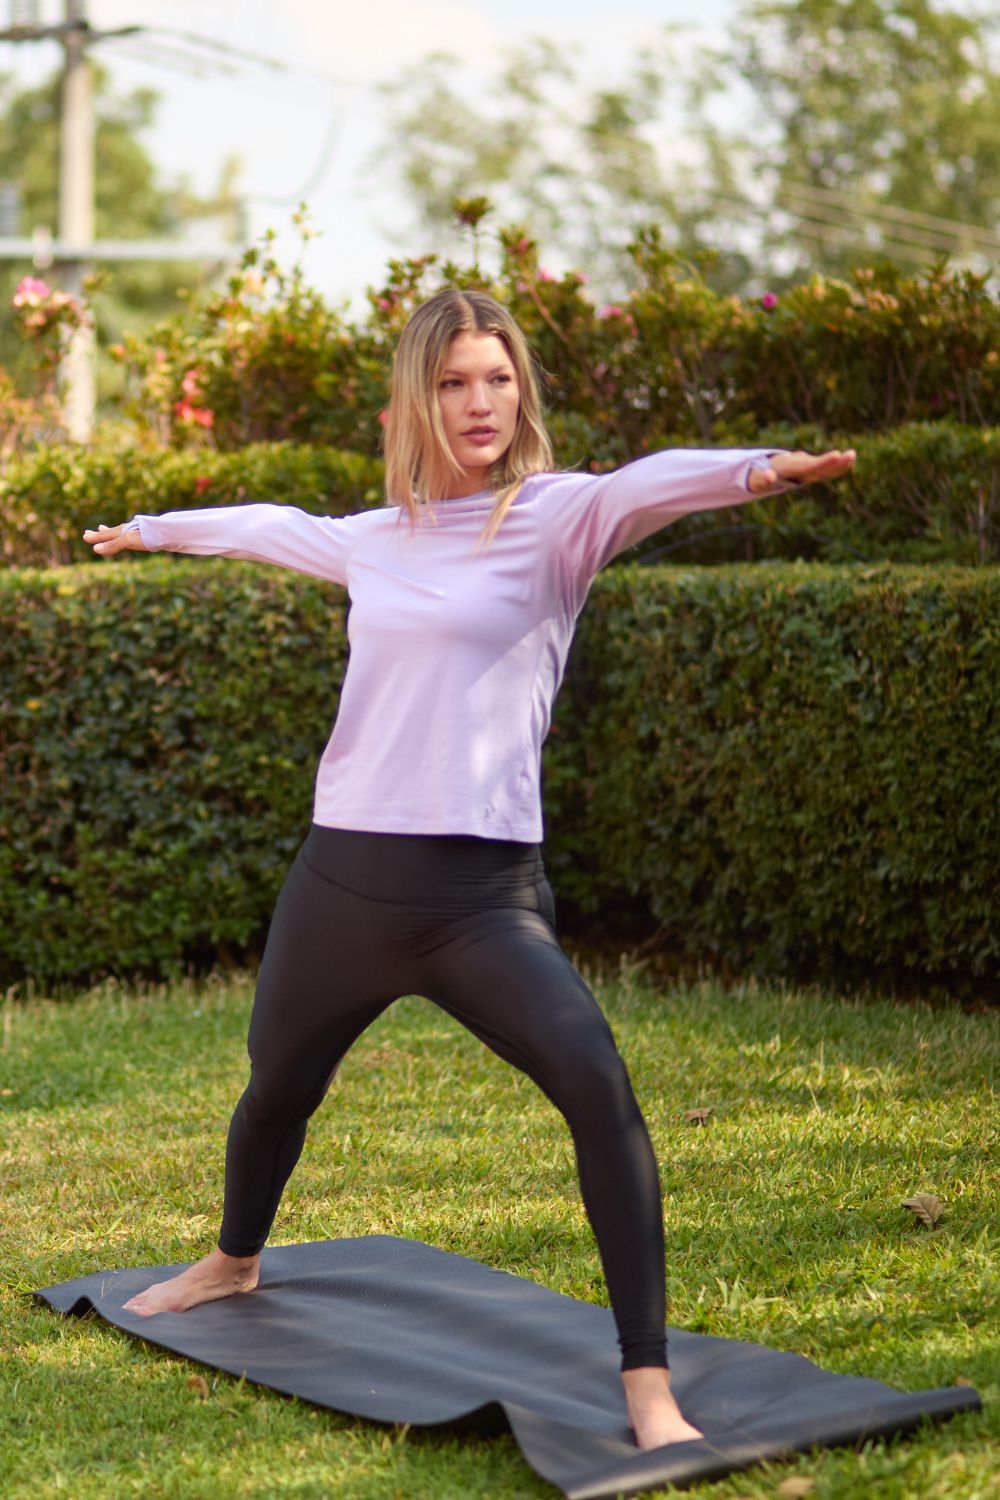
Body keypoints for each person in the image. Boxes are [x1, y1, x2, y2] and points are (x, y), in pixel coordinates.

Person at [83, 287, 856, 1449]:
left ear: (521, 392)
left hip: (478, 903)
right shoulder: (371, 540)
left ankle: (647, 1384)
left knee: (598, 1090)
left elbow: (645, 480)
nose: (479, 401)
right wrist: (147, 531)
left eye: (497, 379)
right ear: (417, 399)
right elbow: (262, 522)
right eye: (453, 382)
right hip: (342, 885)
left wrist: (756, 470)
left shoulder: (556, 521)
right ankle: (234, 1260)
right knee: (275, 1090)